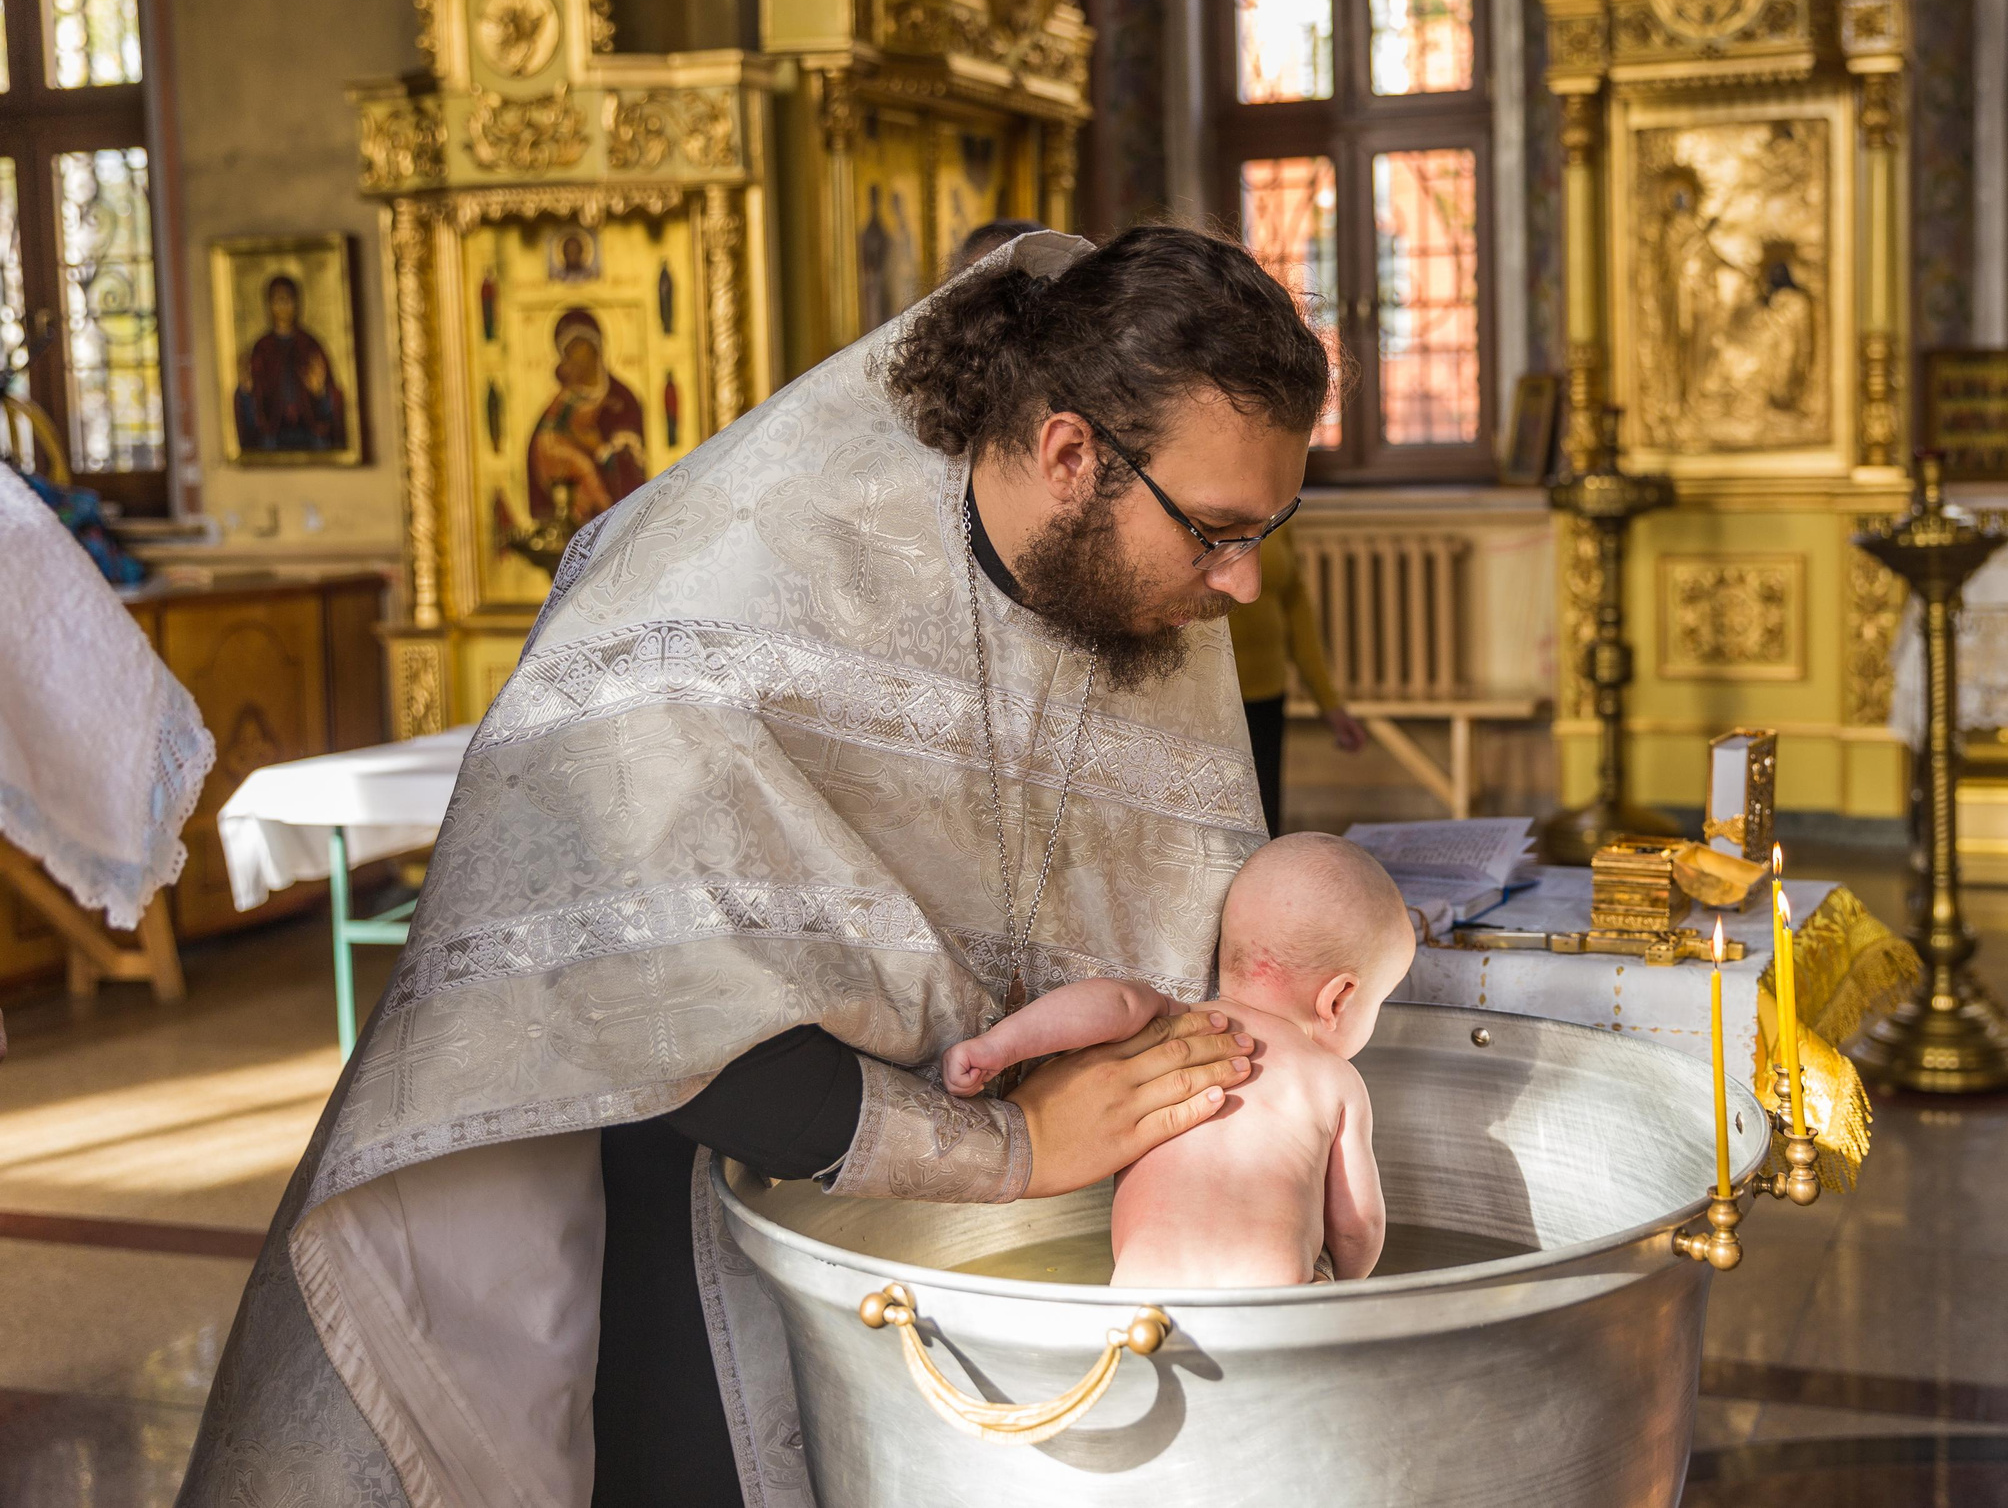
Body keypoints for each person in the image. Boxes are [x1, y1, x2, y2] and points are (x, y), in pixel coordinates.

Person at [177, 226, 1332, 1508]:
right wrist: (1006, 1148)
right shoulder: (722, 583)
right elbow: (634, 1002)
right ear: (1071, 455)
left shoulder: (1142, 588)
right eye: (1219, 531)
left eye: (1267, 527)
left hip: (1015, 1203)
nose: (1243, 580)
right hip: (713, 1194)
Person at [943, 831, 1414, 1287]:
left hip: (1140, 1290)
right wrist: (1346, 1283)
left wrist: (999, 1047)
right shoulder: (1334, 1080)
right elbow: (1357, 1224)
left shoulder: (1172, 1022)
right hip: (1272, 1293)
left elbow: (1100, 1003)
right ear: (1338, 999)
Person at [1228, 520, 1366, 828]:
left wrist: (1329, 702)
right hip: (1205, 703)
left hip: (1267, 696)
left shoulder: (1274, 512)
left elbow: (1295, 605)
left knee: (1265, 823)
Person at [526, 307, 649, 525]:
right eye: (567, 350)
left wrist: (600, 449)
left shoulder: (621, 400)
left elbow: (631, 461)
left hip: (615, 517)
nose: (571, 356)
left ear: (595, 348)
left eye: (577, 346)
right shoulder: (563, 400)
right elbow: (539, 449)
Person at [233, 274, 348, 453]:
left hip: (310, 429)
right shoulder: (262, 348)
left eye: (288, 299)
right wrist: (246, 391)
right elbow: (251, 399)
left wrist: (321, 393)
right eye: (278, 300)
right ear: (269, 304)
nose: (283, 306)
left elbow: (332, 396)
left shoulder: (310, 344)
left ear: (297, 303)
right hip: (272, 433)